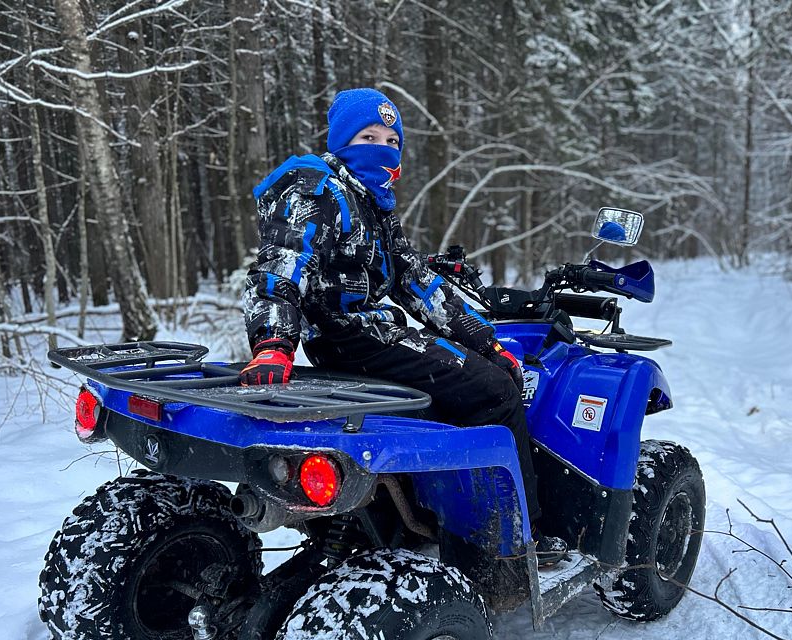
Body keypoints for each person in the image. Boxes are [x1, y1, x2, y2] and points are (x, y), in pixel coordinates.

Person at [240, 87, 566, 564]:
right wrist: (273, 342)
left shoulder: (370, 201)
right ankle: (516, 540)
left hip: (370, 334)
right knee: (496, 392)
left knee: (488, 372)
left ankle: (424, 510)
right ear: (342, 141)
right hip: (352, 336)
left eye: (392, 141)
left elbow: (413, 279)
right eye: (368, 137)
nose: (382, 148)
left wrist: (483, 339)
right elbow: (281, 266)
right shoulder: (318, 190)